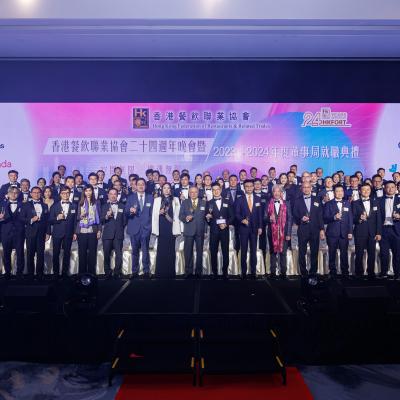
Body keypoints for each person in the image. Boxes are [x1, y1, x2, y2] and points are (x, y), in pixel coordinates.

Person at [293, 182, 325, 285]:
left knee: (314, 252)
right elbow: (295, 215)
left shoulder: (317, 199)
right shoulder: (297, 200)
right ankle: (303, 272)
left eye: (308, 187)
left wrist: (321, 229)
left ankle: (313, 272)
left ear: (311, 188)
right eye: (304, 187)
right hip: (303, 229)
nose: (306, 189)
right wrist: (300, 218)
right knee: (302, 252)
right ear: (301, 189)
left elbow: (320, 215)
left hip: (315, 230)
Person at [125, 178, 153, 278]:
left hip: (146, 228)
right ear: (135, 186)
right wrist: (130, 211)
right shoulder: (130, 198)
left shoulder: (150, 197)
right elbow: (126, 213)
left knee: (145, 250)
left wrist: (150, 227)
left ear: (145, 186)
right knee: (134, 251)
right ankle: (134, 271)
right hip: (134, 228)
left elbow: (152, 214)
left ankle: (146, 271)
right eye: (139, 184)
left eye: (143, 184)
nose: (141, 186)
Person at [352, 183, 382, 278]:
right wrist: (359, 219)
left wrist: (378, 233)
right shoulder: (355, 203)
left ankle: (371, 272)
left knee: (372, 254)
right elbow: (352, 218)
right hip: (360, 231)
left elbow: (378, 219)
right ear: (360, 191)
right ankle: (359, 273)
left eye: (368, 189)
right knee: (359, 253)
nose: (366, 191)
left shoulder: (375, 202)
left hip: (372, 232)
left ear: (370, 191)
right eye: (363, 189)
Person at [152, 183, 181, 278]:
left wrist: (179, 228)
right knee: (161, 249)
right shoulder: (157, 200)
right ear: (162, 189)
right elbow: (153, 214)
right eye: (164, 188)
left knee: (171, 249)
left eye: (168, 188)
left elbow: (178, 214)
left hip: (171, 227)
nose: (166, 190)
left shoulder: (175, 199)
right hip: (161, 226)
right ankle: (160, 272)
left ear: (170, 190)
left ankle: (170, 272)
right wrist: (158, 212)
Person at [323, 185, 353, 279]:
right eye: (337, 191)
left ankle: (345, 272)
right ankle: (332, 272)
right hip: (332, 233)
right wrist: (334, 217)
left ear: (343, 192)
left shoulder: (347, 203)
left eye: (341, 191)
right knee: (332, 253)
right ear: (334, 193)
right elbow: (325, 218)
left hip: (344, 233)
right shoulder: (328, 204)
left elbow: (350, 218)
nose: (340, 193)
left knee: (344, 253)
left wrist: (350, 231)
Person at [20, 186, 50, 280]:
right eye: (34, 192)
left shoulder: (45, 205)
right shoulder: (25, 205)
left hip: (41, 233)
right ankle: (30, 274)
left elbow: (47, 221)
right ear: (31, 194)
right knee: (30, 254)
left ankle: (40, 274)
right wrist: (31, 220)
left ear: (41, 194)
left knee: (41, 255)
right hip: (30, 233)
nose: (36, 194)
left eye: (38, 193)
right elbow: (21, 218)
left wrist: (48, 232)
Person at [235, 179, 263, 279]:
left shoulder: (258, 198)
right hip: (243, 228)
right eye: (247, 186)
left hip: (254, 229)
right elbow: (236, 213)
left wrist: (260, 227)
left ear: (253, 187)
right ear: (244, 187)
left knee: (253, 250)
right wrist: (242, 220)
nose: (249, 188)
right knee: (244, 250)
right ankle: (243, 272)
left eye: (251, 186)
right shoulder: (239, 199)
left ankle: (253, 271)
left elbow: (260, 215)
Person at [206, 182, 234, 279]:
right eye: (213, 190)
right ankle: (214, 272)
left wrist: (226, 224)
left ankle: (225, 272)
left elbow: (232, 216)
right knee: (213, 252)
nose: (216, 191)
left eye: (217, 189)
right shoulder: (209, 203)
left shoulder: (227, 201)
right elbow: (207, 218)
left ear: (221, 190)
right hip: (214, 231)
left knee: (225, 252)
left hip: (224, 231)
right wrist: (208, 218)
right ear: (212, 191)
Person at [49, 186, 77, 278]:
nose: (65, 195)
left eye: (67, 193)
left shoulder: (74, 206)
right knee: (56, 253)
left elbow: (75, 221)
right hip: (57, 233)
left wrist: (75, 232)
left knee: (67, 253)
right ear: (60, 194)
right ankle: (56, 273)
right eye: (63, 193)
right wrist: (57, 218)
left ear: (70, 194)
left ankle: (65, 272)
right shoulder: (54, 206)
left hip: (69, 233)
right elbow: (50, 220)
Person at [266, 185, 292, 279]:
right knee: (273, 252)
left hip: (284, 232)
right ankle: (273, 272)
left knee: (283, 252)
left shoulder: (286, 203)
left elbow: (290, 219)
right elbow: (264, 218)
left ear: (281, 193)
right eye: (275, 191)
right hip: (272, 232)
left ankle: (283, 273)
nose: (276, 193)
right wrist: (269, 218)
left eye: (278, 191)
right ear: (272, 193)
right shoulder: (268, 203)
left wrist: (288, 233)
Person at [179, 186, 206, 278]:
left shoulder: (204, 202)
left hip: (200, 231)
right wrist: (186, 218)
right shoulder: (185, 202)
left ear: (198, 193)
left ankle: (199, 271)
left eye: (195, 192)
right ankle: (188, 271)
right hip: (189, 230)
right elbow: (181, 216)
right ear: (189, 193)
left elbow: (206, 217)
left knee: (200, 252)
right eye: (191, 192)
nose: (193, 194)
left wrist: (205, 230)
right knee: (188, 252)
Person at [74, 185, 102, 275]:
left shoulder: (96, 202)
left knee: (92, 253)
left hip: (93, 231)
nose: (88, 192)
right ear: (84, 192)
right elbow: (76, 218)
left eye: (90, 190)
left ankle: (91, 274)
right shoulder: (80, 202)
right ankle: (82, 274)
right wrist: (80, 216)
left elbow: (99, 217)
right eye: (86, 191)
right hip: (82, 231)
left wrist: (99, 230)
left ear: (92, 191)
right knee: (82, 253)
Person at [0, 187, 25, 279]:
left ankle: (19, 273)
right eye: (11, 192)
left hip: (19, 232)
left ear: (18, 194)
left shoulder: (23, 205)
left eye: (16, 192)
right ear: (8, 193)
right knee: (6, 253)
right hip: (6, 232)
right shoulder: (1, 204)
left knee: (20, 253)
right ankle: (7, 272)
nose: (14, 194)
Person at [101, 188, 126, 279]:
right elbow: (101, 220)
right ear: (108, 195)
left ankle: (117, 272)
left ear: (117, 195)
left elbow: (124, 221)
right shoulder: (104, 206)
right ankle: (107, 272)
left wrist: (119, 227)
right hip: (107, 234)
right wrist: (106, 216)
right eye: (111, 194)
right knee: (106, 254)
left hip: (118, 234)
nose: (113, 195)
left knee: (118, 254)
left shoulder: (122, 206)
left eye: (115, 194)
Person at [379, 181, 400, 279]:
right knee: (383, 253)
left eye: (392, 187)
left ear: (396, 188)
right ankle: (383, 273)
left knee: (397, 253)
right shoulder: (379, 200)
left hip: (396, 230)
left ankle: (397, 274)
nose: (390, 189)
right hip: (383, 229)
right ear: (384, 188)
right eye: (388, 187)